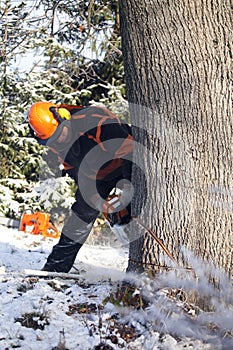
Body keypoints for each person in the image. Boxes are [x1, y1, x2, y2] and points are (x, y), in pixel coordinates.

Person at [28, 101, 135, 273]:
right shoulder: (57, 145)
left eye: (59, 134)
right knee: (81, 215)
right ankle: (56, 267)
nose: (58, 141)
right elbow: (80, 176)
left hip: (126, 161)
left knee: (136, 202)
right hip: (97, 176)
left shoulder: (94, 119)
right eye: (52, 140)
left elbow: (130, 151)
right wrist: (97, 201)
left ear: (63, 117)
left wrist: (129, 192)